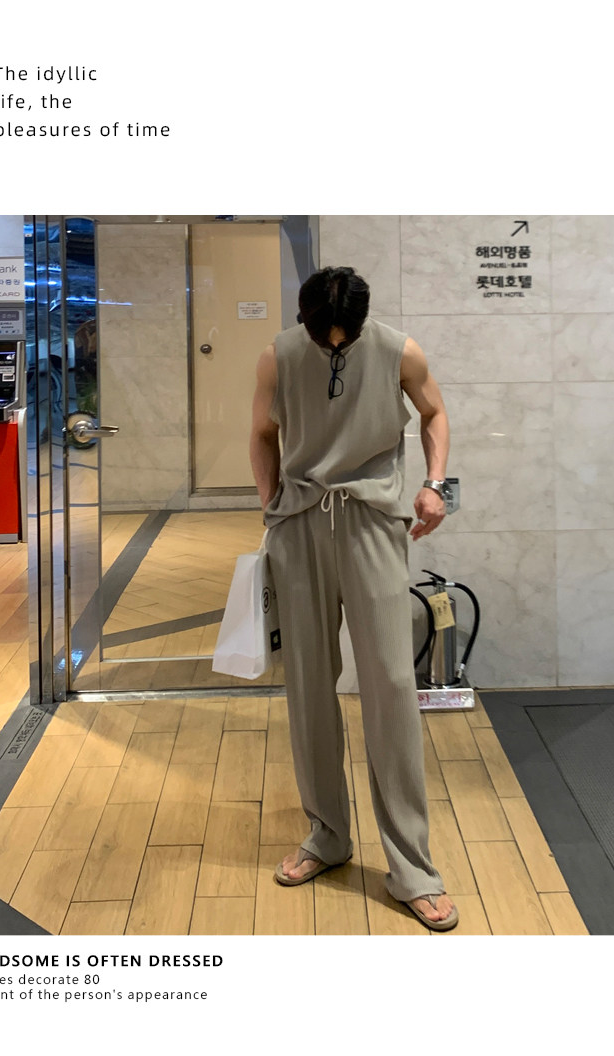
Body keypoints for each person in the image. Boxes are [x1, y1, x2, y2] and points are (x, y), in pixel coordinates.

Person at [249, 266, 458, 931]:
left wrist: (436, 485)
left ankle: (413, 867)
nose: (334, 344)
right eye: (324, 336)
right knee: (309, 686)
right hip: (300, 525)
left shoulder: (400, 350)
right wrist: (271, 506)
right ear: (306, 320)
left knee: (391, 684)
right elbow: (262, 433)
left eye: (345, 335)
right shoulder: (279, 355)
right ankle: (327, 835)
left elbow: (434, 412)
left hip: (372, 522)